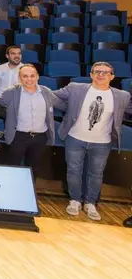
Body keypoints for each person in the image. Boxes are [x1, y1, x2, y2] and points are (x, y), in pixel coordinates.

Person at [53, 62, 132, 221]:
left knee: (96, 174)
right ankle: (75, 200)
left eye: (105, 72)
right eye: (97, 71)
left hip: (102, 143)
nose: (101, 75)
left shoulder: (122, 96)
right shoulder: (75, 88)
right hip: (75, 138)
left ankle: (90, 203)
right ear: (91, 74)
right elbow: (51, 96)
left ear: (112, 76)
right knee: (73, 171)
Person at [0, 64, 62, 169]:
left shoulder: (46, 92)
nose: (29, 79)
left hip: (40, 138)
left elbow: (62, 105)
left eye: (32, 76)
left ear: (37, 77)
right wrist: (7, 115)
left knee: (35, 169)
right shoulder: (10, 93)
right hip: (18, 137)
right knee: (12, 168)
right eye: (25, 76)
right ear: (19, 78)